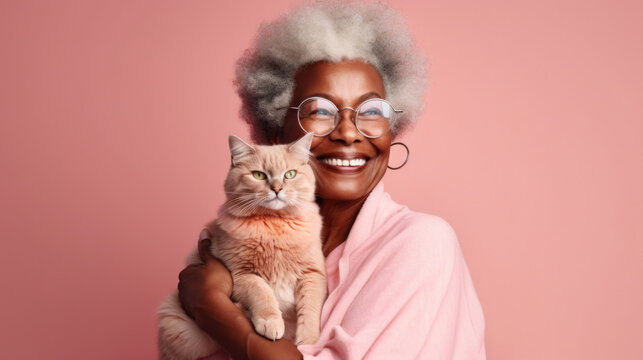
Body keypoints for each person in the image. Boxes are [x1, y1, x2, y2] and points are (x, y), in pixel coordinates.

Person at [177, 2, 486, 359]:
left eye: (372, 112)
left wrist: (215, 310)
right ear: (278, 130)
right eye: (321, 110)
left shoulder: (423, 243)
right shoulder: (242, 243)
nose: (348, 133)